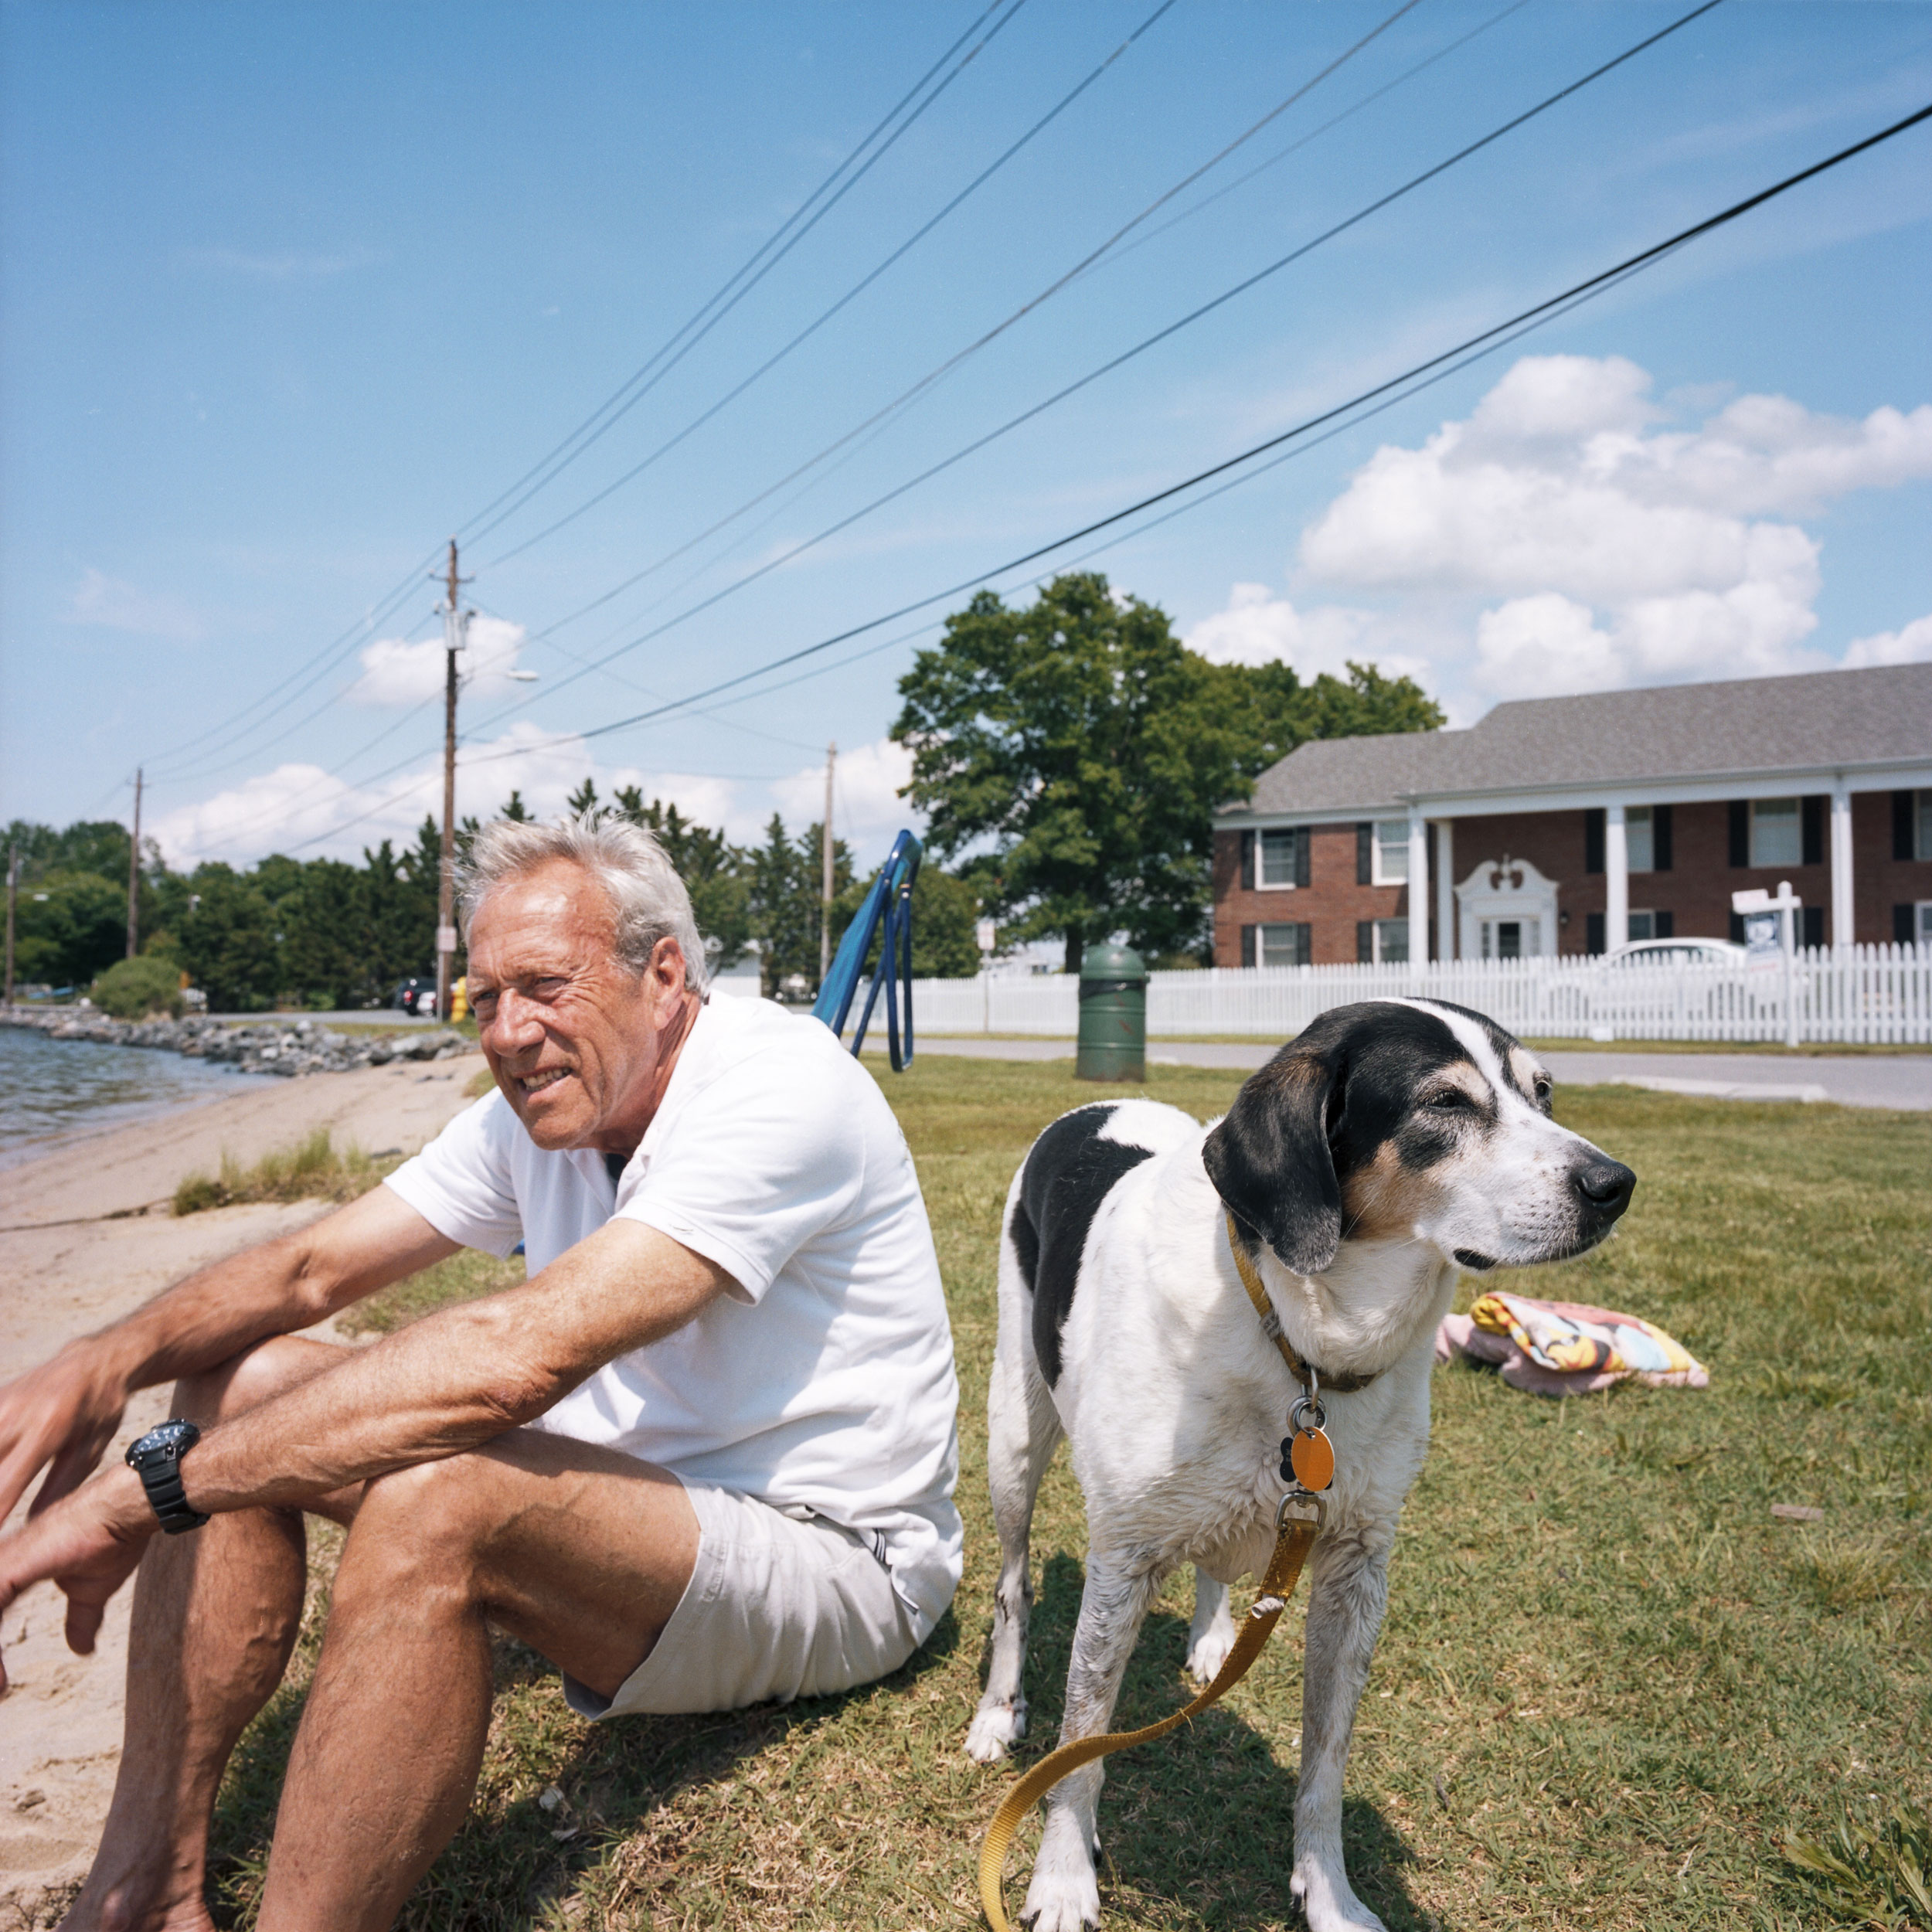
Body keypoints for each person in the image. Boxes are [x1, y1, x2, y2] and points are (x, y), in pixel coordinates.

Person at [0, 816, 961, 1932]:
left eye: (544, 986)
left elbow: (517, 1359)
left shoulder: (780, 1087)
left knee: (437, 1495)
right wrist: (103, 1357)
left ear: (662, 975)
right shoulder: (543, 1109)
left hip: (835, 1560)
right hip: (635, 1508)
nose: (510, 1033)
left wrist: (138, 1494)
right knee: (243, 1377)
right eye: (486, 998)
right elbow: (312, 1270)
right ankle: (141, 1884)